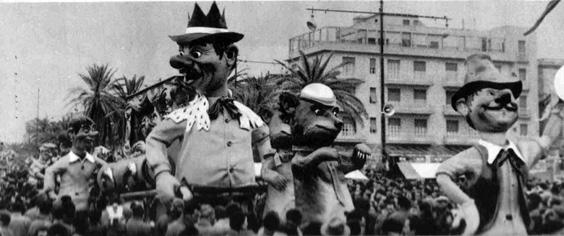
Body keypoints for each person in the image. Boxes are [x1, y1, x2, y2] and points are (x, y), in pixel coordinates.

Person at [145, 1, 274, 206]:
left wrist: (267, 166)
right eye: (183, 54)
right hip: (197, 208)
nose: (185, 64)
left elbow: (264, 137)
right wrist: (162, 174)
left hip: (242, 211)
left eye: (196, 54)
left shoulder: (246, 117)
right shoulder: (186, 117)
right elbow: (155, 139)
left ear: (229, 56)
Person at [435, 53, 564, 235]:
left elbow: (547, 139)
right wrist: (467, 204)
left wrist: (559, 106)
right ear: (466, 107)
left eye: (508, 93)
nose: (505, 98)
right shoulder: (477, 156)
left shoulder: (521, 152)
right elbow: (442, 173)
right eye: (491, 92)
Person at [43, 116, 107, 212]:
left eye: (92, 130)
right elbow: (49, 171)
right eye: (86, 130)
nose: (91, 135)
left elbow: (108, 168)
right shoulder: (65, 161)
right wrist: (52, 195)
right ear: (72, 134)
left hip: (87, 211)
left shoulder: (93, 161)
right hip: (67, 211)